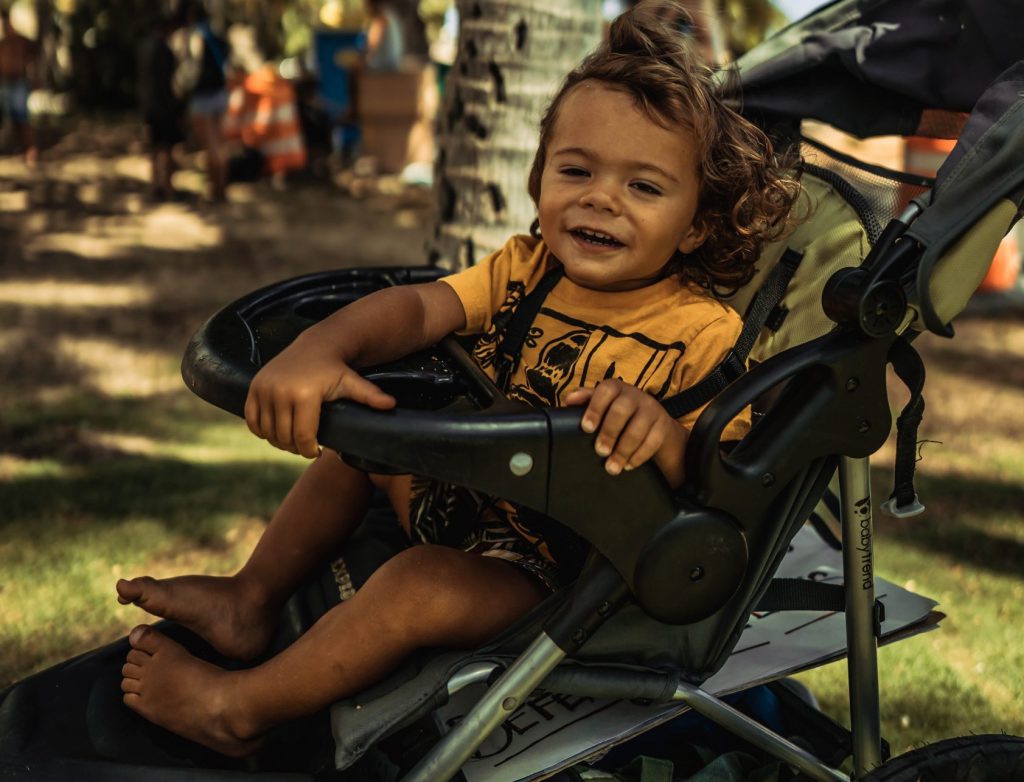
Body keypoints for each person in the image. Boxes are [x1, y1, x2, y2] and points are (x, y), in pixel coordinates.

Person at [115, 0, 800, 757]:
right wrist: (320, 348)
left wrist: (663, 437)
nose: (600, 197)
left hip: (559, 575)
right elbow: (417, 308)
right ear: (540, 178)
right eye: (576, 170)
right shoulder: (526, 269)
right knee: (364, 439)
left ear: (697, 222)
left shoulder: (704, 334)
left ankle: (239, 710)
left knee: (419, 586)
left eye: (644, 187)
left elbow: (726, 489)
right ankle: (252, 595)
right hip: (467, 495)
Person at [177, 2, 230, 201]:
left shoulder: (196, 36)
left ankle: (214, 189)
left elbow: (192, 68)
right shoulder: (216, 35)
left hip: (203, 98)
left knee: (211, 147)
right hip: (220, 94)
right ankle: (221, 188)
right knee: (220, 145)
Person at [137, 14, 185, 201]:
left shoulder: (144, 48)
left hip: (150, 106)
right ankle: (167, 186)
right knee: (166, 148)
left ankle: (156, 184)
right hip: (165, 107)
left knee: (155, 148)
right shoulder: (165, 51)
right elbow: (171, 82)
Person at [0, 8, 37, 166]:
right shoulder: (2, 44)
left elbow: (32, 61)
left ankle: (30, 151)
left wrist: (34, 77)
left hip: (19, 83)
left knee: (23, 119)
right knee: (13, 119)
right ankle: (21, 148)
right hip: (5, 83)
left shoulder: (21, 41)